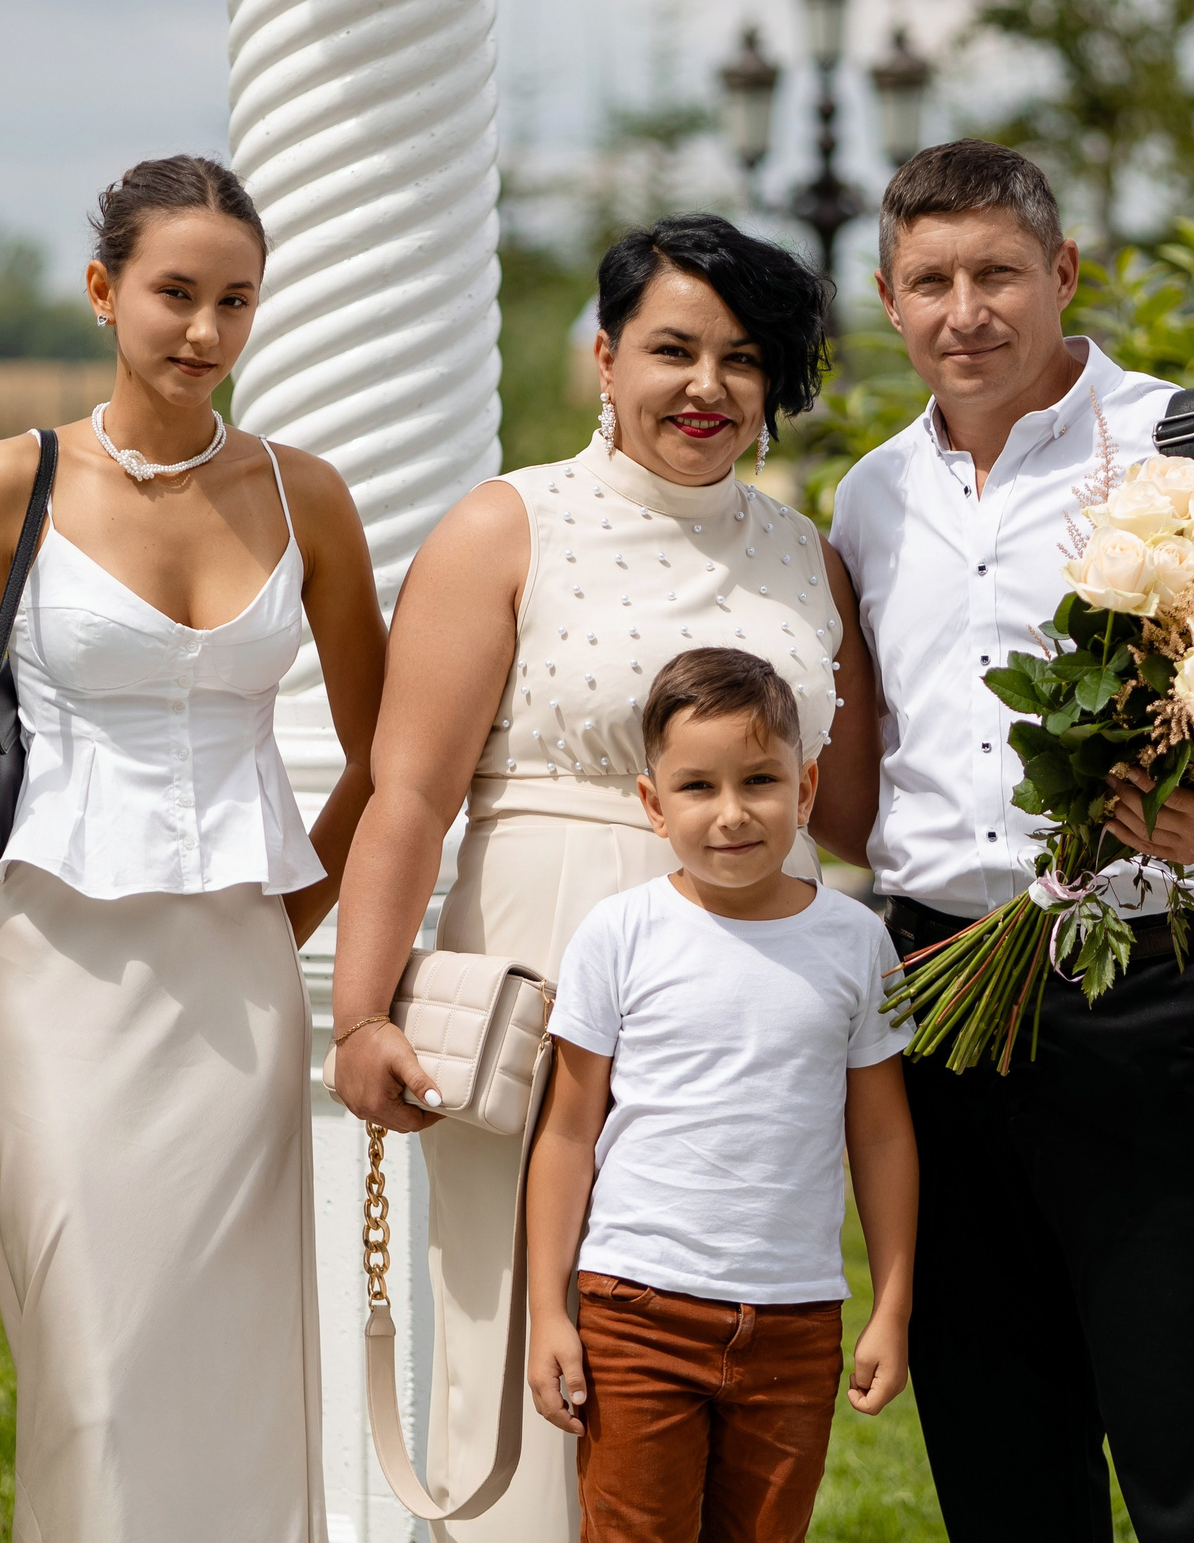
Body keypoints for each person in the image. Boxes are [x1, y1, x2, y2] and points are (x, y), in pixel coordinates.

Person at [325, 214, 882, 1541]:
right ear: (604, 356)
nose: (706, 387)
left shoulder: (808, 554)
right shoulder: (506, 525)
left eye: (742, 359)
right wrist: (360, 1012)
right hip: (545, 977)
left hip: (752, 1012)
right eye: (672, 349)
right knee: (524, 1350)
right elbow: (407, 792)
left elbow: (853, 805)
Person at [0, 154, 389, 1540]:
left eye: (235, 301)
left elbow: (387, 758)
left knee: (233, 1368)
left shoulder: (305, 496)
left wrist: (278, 918)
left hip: (235, 987)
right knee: (93, 1376)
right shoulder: (13, 480)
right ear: (104, 290)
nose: (202, 331)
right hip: (54, 982)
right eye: (173, 293)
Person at [827, 139, 1194, 1543]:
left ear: (1064, 272)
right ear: (887, 295)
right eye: (931, 281)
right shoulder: (866, 497)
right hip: (938, 990)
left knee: (1191, 1423)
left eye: (997, 274)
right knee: (993, 1433)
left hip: (1146, 983)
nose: (964, 310)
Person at [521, 647, 919, 1543]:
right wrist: (551, 1311)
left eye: (761, 779)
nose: (732, 813)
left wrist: (891, 1307)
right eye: (697, 786)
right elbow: (568, 1134)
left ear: (807, 785)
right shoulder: (619, 935)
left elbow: (884, 1138)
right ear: (653, 805)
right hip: (637, 1316)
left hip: (796, 1322)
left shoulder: (856, 943)